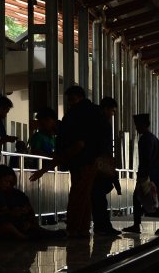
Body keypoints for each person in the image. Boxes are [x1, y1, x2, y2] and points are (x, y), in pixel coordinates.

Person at [30, 86, 107, 238]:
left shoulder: (73, 117)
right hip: (93, 161)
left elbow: (77, 145)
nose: (70, 104)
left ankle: (72, 229)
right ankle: (82, 229)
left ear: (49, 120)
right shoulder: (94, 112)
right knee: (84, 198)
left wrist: (45, 169)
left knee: (77, 198)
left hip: (82, 163)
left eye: (41, 123)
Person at [0, 165, 66, 240]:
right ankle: (26, 237)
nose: (8, 185)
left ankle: (38, 232)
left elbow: (5, 210)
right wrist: (8, 213)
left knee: (21, 222)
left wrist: (16, 212)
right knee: (7, 226)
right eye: (6, 181)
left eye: (10, 183)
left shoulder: (0, 194)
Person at [123, 113, 159, 235]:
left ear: (143, 125)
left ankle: (137, 225)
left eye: (137, 126)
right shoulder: (154, 139)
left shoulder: (145, 139)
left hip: (147, 176)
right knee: (158, 198)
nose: (136, 128)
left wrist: (142, 176)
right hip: (157, 175)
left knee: (137, 197)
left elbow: (145, 160)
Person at [90, 97, 121, 236]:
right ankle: (102, 225)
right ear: (106, 109)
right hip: (101, 164)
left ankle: (100, 225)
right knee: (100, 196)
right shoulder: (104, 123)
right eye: (112, 111)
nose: (112, 115)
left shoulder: (92, 120)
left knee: (97, 196)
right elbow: (105, 146)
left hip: (94, 163)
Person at [0, 97, 17, 170]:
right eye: (5, 111)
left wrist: (7, 139)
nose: (5, 115)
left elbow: (1, 137)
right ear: (0, 108)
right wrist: (3, 141)